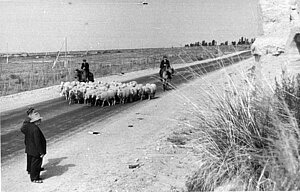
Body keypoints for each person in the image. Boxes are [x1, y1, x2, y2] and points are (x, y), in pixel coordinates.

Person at [21, 111, 46, 183]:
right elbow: (38, 142)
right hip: (35, 150)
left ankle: (32, 174)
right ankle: (35, 178)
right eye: (39, 120)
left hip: (30, 147)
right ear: (36, 121)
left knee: (32, 163)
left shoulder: (29, 127)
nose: (40, 121)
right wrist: (41, 152)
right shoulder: (35, 129)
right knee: (36, 163)